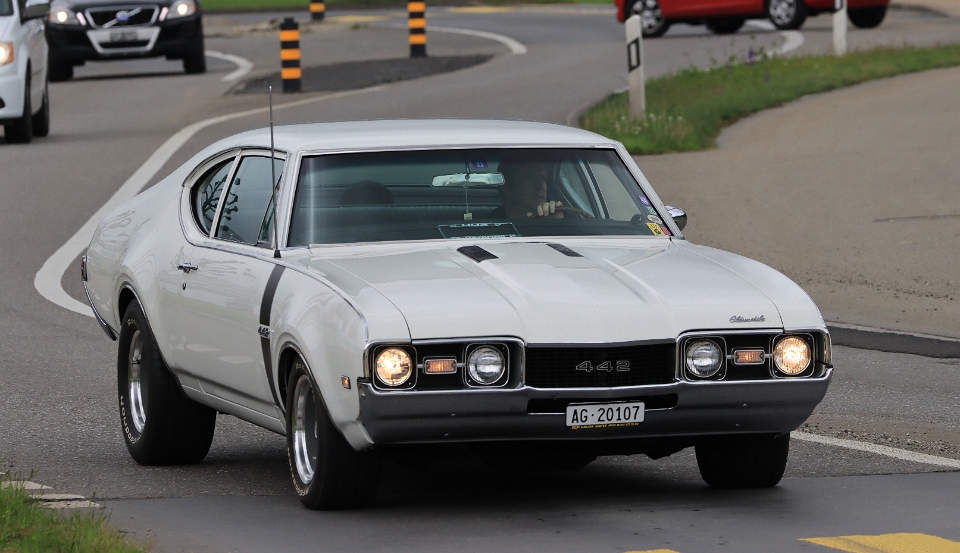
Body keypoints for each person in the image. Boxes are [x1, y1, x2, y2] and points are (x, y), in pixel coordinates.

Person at [490, 159, 565, 219]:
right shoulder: (490, 227)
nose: (540, 186)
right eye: (530, 179)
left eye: (543, 179)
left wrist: (556, 224)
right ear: (506, 189)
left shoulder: (553, 217)